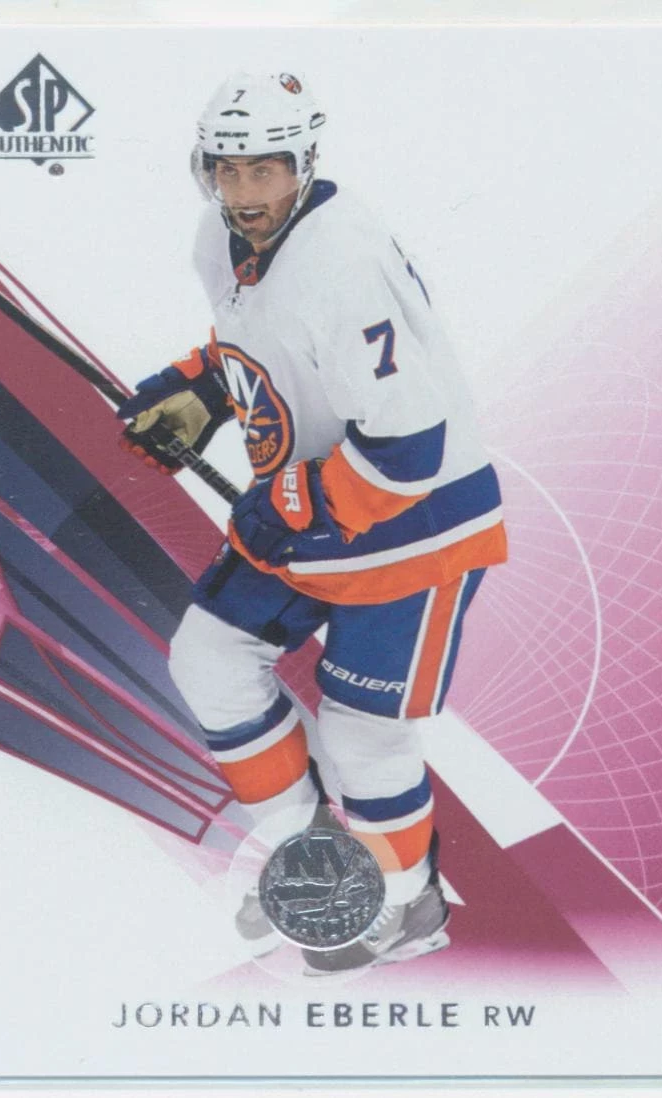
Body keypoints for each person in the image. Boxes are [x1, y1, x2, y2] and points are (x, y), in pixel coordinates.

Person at [118, 71, 507, 972]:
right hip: (315, 502)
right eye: (227, 170)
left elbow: (409, 445)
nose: (245, 193)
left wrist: (291, 502)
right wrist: (198, 391)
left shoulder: (344, 265)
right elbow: (255, 342)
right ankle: (312, 862)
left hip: (418, 523)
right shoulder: (220, 237)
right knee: (209, 659)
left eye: (265, 170)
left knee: (361, 730)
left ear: (304, 162)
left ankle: (402, 902)